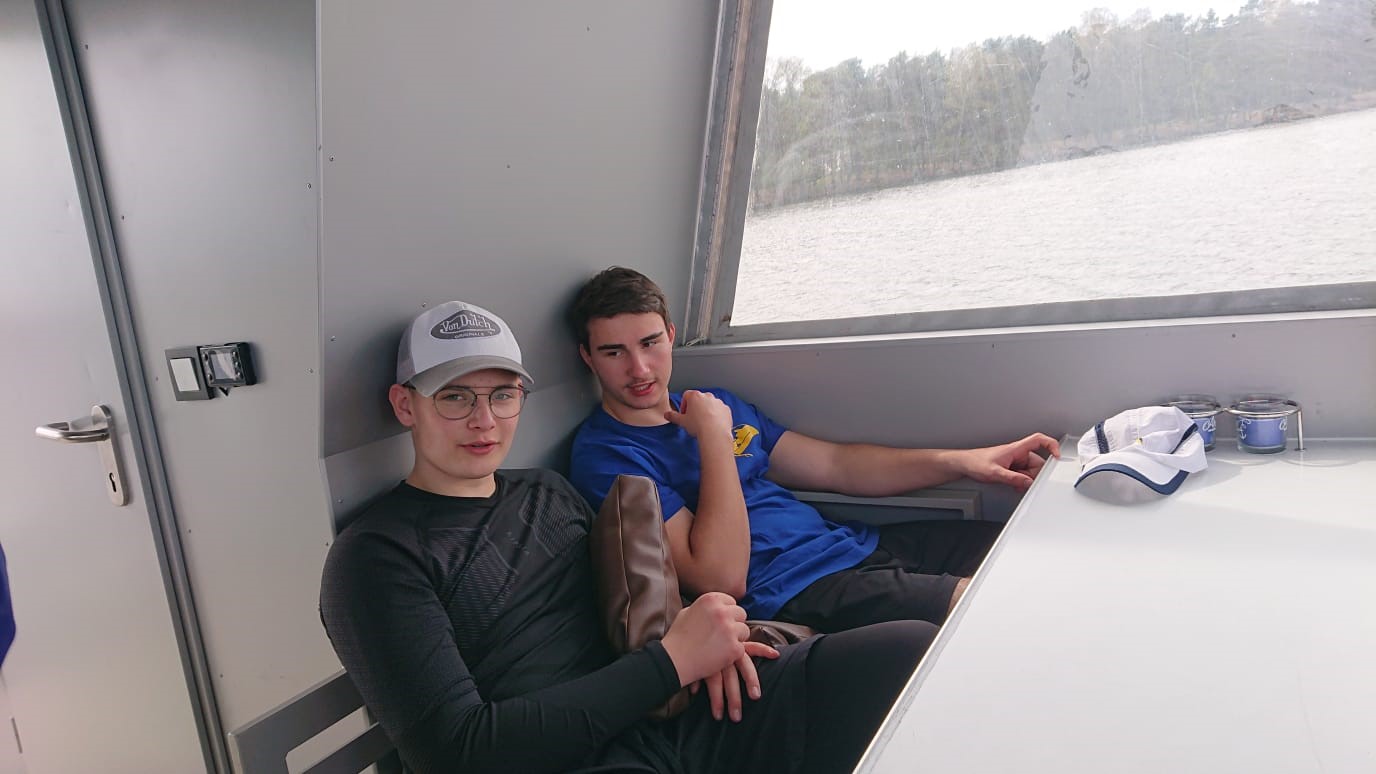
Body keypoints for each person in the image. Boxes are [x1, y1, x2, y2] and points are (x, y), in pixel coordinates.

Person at [319, 299, 937, 774]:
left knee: (906, 652)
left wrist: (703, 627)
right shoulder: (376, 557)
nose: (484, 420)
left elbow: (634, 594)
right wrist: (669, 664)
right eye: (455, 397)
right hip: (573, 757)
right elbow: (458, 751)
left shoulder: (546, 492)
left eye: (502, 395)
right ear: (406, 405)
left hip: (675, 716)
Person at [567, 267, 1061, 633]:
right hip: (794, 586)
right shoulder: (607, 456)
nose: (640, 369)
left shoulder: (716, 404)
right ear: (588, 357)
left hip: (855, 545)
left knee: (1026, 551)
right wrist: (714, 439)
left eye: (650, 343)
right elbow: (721, 577)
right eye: (614, 352)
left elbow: (837, 465)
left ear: (671, 335)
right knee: (994, 603)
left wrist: (966, 461)